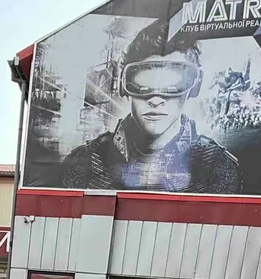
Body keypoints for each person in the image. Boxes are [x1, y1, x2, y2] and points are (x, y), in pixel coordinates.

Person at [59, 20, 241, 193]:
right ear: (124, 84)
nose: (155, 100)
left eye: (172, 82)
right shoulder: (85, 161)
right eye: (144, 81)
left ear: (194, 87)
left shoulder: (216, 166)